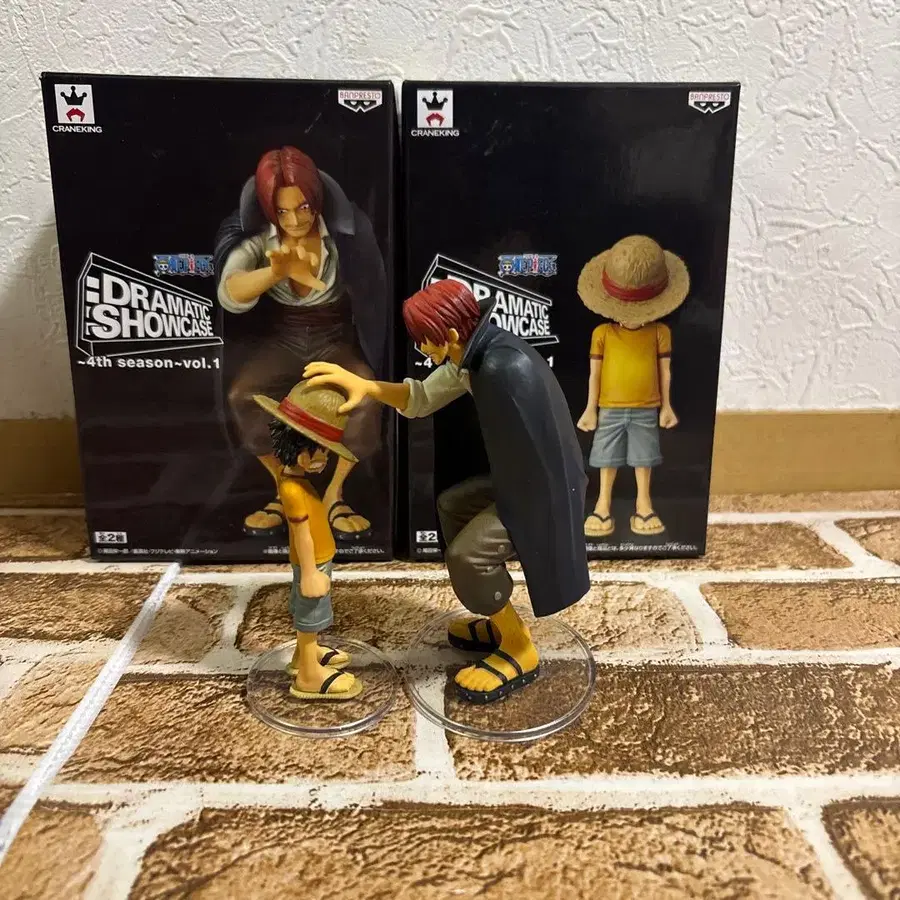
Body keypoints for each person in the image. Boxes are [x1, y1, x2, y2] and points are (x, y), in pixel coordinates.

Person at [305, 280, 589, 704]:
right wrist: (366, 386)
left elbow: (543, 454)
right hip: (518, 479)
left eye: (424, 340)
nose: (421, 349)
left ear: (451, 333)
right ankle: (499, 616)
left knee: (467, 556)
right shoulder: (473, 356)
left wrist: (527, 518)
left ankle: (519, 649)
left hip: (543, 492)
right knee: (453, 505)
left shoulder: (502, 367)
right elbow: (421, 397)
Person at [214, 146, 387, 543]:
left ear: (316, 199)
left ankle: (334, 495)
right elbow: (230, 291)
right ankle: (286, 487)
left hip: (334, 339)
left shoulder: (343, 237)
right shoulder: (261, 244)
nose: (294, 220)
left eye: (303, 207)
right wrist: (274, 273)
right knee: (243, 395)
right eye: (283, 211)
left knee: (364, 397)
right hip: (284, 338)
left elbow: (372, 287)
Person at [252, 380, 362, 701]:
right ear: (301, 451)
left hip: (317, 557)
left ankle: (304, 656)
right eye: (322, 450)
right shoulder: (292, 490)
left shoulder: (294, 481)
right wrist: (311, 573)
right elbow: (301, 533)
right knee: (311, 615)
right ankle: (309, 676)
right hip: (313, 562)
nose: (324, 458)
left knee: (308, 612)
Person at [575, 235, 690, 538]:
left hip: (646, 407)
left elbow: (664, 372)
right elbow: (594, 374)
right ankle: (602, 505)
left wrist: (666, 406)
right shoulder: (602, 333)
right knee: (606, 458)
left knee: (644, 457)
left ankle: (643, 504)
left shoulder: (659, 332)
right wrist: (590, 409)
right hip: (609, 407)